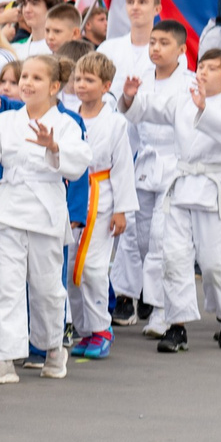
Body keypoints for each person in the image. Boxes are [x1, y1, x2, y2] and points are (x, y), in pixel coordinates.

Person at [0, 54, 87, 383]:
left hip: (45, 209)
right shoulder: (6, 120)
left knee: (46, 287)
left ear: (54, 86)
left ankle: (53, 348)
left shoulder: (66, 123)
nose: (26, 83)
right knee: (6, 286)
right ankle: (5, 358)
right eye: (24, 77)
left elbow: (78, 163)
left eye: (36, 78)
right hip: (9, 209)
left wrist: (53, 148)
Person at [155, 49, 221, 351]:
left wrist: (204, 110)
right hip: (182, 184)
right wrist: (131, 99)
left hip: (213, 189)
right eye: (201, 66)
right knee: (173, 257)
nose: (203, 72)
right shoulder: (184, 98)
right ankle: (176, 325)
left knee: (214, 263)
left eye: (212, 69)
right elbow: (153, 109)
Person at [115, 18, 193, 330]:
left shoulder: (190, 83)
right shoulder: (140, 78)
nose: (156, 48)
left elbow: (177, 120)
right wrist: (130, 99)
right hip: (144, 163)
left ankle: (163, 311)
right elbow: (130, 123)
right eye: (152, 42)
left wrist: (135, 103)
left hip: (174, 165)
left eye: (164, 43)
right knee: (137, 236)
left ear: (182, 49)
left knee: (163, 238)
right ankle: (135, 294)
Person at [63, 51, 136, 359]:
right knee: (69, 269)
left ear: (106, 85)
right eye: (78, 78)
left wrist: (121, 209)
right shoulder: (66, 116)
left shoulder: (115, 123)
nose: (82, 85)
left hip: (102, 196)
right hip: (70, 196)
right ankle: (84, 329)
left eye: (89, 80)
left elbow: (122, 167)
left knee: (92, 268)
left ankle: (102, 328)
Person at [98, 0, 163, 90]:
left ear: (157, 9)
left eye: (142, 2)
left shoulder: (171, 52)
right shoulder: (107, 49)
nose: (135, 7)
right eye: (130, 2)